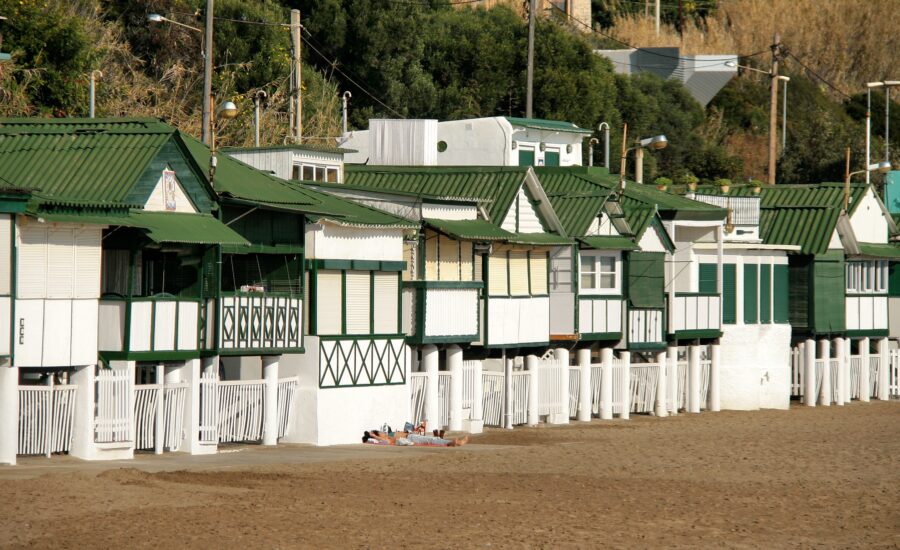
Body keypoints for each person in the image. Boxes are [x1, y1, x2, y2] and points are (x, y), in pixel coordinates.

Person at [362, 430, 469, 447]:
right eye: (380, 432)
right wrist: (373, 436)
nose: (383, 432)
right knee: (431, 440)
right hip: (411, 438)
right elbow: (383, 442)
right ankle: (454, 442)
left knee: (431, 439)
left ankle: (451, 442)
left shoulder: (389, 435)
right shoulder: (387, 439)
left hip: (411, 436)